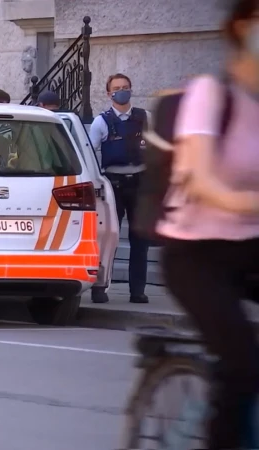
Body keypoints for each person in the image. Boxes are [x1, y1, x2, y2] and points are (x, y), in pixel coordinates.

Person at [156, 0, 259, 446]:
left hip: (251, 245)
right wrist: (246, 201)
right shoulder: (211, 94)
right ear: (242, 27)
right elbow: (199, 179)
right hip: (196, 254)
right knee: (241, 367)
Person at [88, 73, 151, 304]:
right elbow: (89, 153)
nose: (122, 91)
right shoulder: (101, 122)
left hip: (140, 183)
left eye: (125, 87)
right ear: (109, 93)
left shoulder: (145, 118)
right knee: (108, 238)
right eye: (117, 88)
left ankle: (137, 291)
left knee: (140, 240)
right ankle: (100, 287)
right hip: (113, 185)